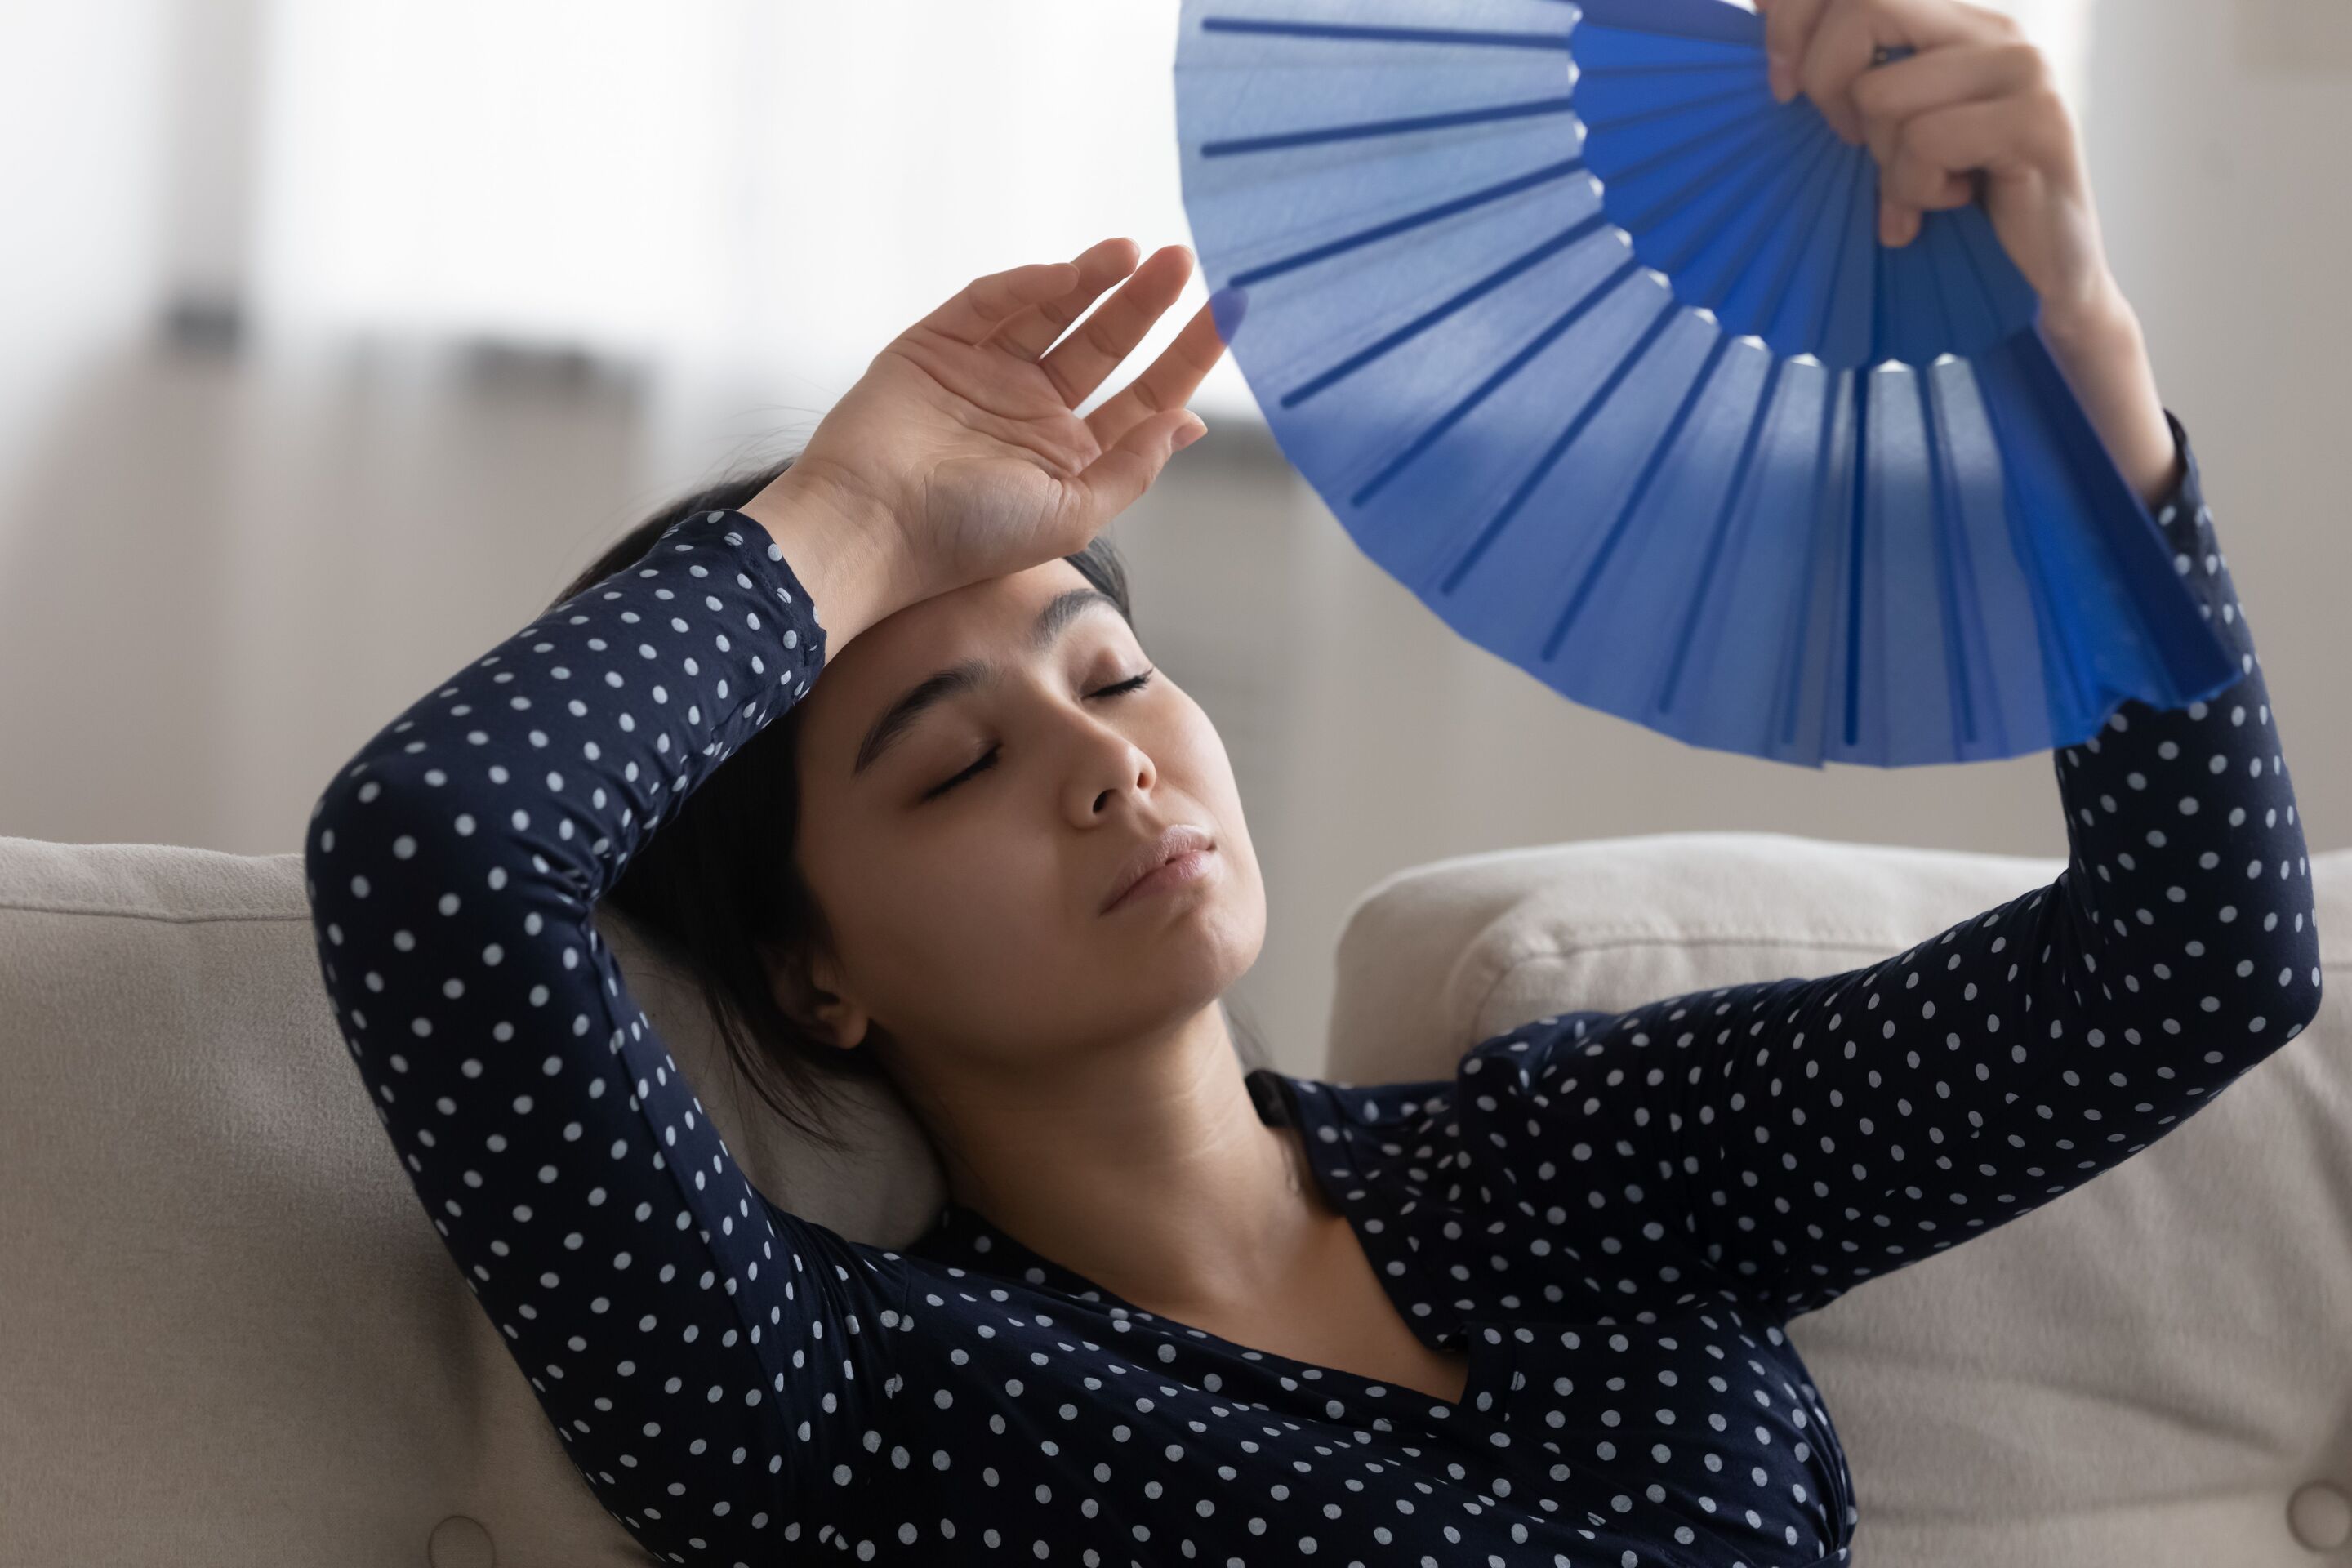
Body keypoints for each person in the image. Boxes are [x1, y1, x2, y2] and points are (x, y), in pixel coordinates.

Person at [301, 2, 2323, 1561]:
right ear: (812, 973)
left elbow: (2195, 964)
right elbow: (430, 859)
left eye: (1114, 672)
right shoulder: (844, 1403)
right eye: (959, 766)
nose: (1106, 764)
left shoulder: (1572, 1159)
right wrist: (860, 513)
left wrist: (2063, 341)